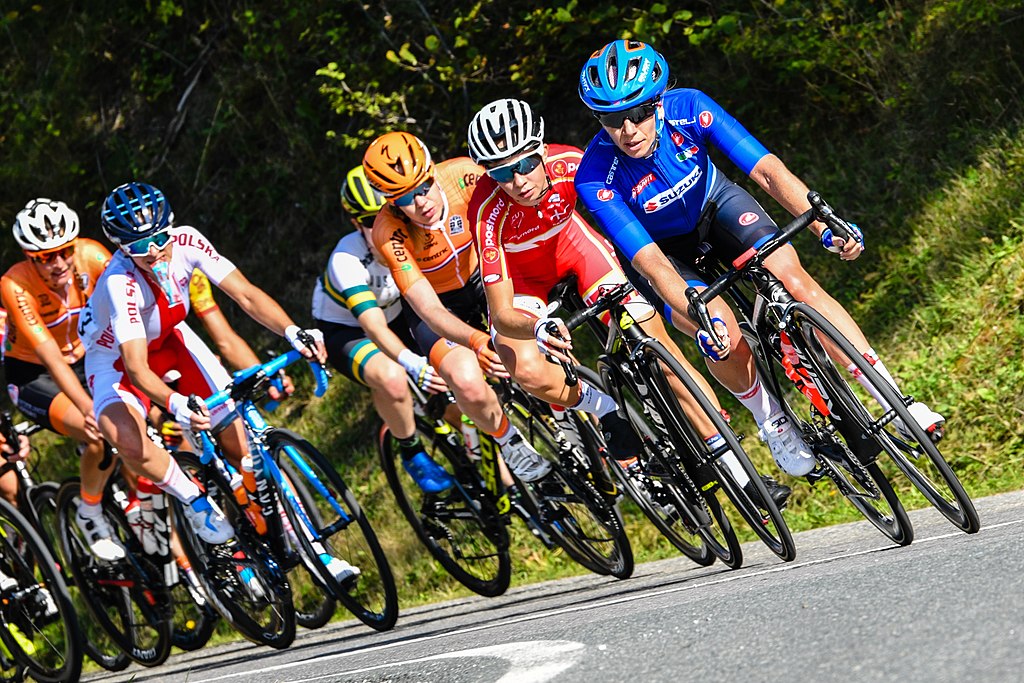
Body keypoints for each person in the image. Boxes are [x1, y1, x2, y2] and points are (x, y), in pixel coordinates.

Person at [574, 39, 945, 479]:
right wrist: (694, 307)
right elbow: (651, 261)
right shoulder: (595, 175)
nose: (629, 130)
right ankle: (772, 420)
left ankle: (893, 399)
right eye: (613, 120)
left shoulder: (689, 107)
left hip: (715, 206)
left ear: (657, 102)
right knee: (720, 332)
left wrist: (823, 223)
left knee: (792, 277)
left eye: (637, 113)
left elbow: (767, 170)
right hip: (665, 252)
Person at [466, 98, 789, 507]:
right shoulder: (487, 211)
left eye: (525, 163)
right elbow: (502, 312)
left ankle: (741, 473)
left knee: (653, 338)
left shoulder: (572, 164)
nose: (518, 180)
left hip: (575, 251)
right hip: (524, 281)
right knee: (526, 371)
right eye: (501, 172)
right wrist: (539, 327)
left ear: (540, 149)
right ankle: (602, 407)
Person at [78, 182, 355, 582]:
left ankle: (304, 543)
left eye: (159, 238)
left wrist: (294, 331)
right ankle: (195, 501)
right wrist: (176, 404)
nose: (154, 250)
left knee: (241, 445)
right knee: (127, 439)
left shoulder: (187, 240)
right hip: (117, 362)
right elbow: (137, 369)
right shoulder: (119, 283)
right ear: (121, 248)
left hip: (173, 340)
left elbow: (245, 295)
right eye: (140, 246)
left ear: (170, 227)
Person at [362, 132, 551, 483]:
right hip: (440, 304)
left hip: (485, 277)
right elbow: (429, 309)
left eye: (423, 186)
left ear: (433, 170)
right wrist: (477, 341)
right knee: (467, 384)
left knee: (539, 340)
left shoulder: (464, 175)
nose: (421, 202)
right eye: (405, 197)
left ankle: (577, 411)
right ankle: (510, 442)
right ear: (389, 202)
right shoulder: (388, 233)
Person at [312, 165, 453, 492]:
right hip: (347, 330)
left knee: (460, 406)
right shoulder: (346, 260)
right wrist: (412, 362)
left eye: (388, 215)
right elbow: (373, 327)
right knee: (391, 377)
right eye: (368, 221)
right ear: (354, 224)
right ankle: (411, 451)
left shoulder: (416, 233)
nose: (380, 228)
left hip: (397, 314)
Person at [1, 198, 123, 560]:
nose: (58, 264)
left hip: (88, 360)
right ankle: (89, 513)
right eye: (44, 257)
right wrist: (89, 407)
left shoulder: (93, 255)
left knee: (143, 424)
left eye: (64, 251)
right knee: (96, 432)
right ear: (28, 256)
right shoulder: (14, 283)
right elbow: (50, 356)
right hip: (34, 374)